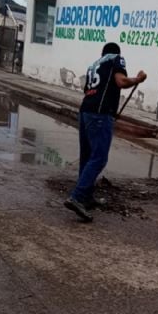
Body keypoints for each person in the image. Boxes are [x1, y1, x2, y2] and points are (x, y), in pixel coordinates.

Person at [64, 42, 147, 222]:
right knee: (99, 158)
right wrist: (137, 79)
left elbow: (88, 90)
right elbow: (121, 81)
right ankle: (77, 197)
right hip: (100, 114)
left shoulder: (94, 65)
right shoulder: (116, 59)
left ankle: (86, 196)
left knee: (87, 157)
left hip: (85, 111)